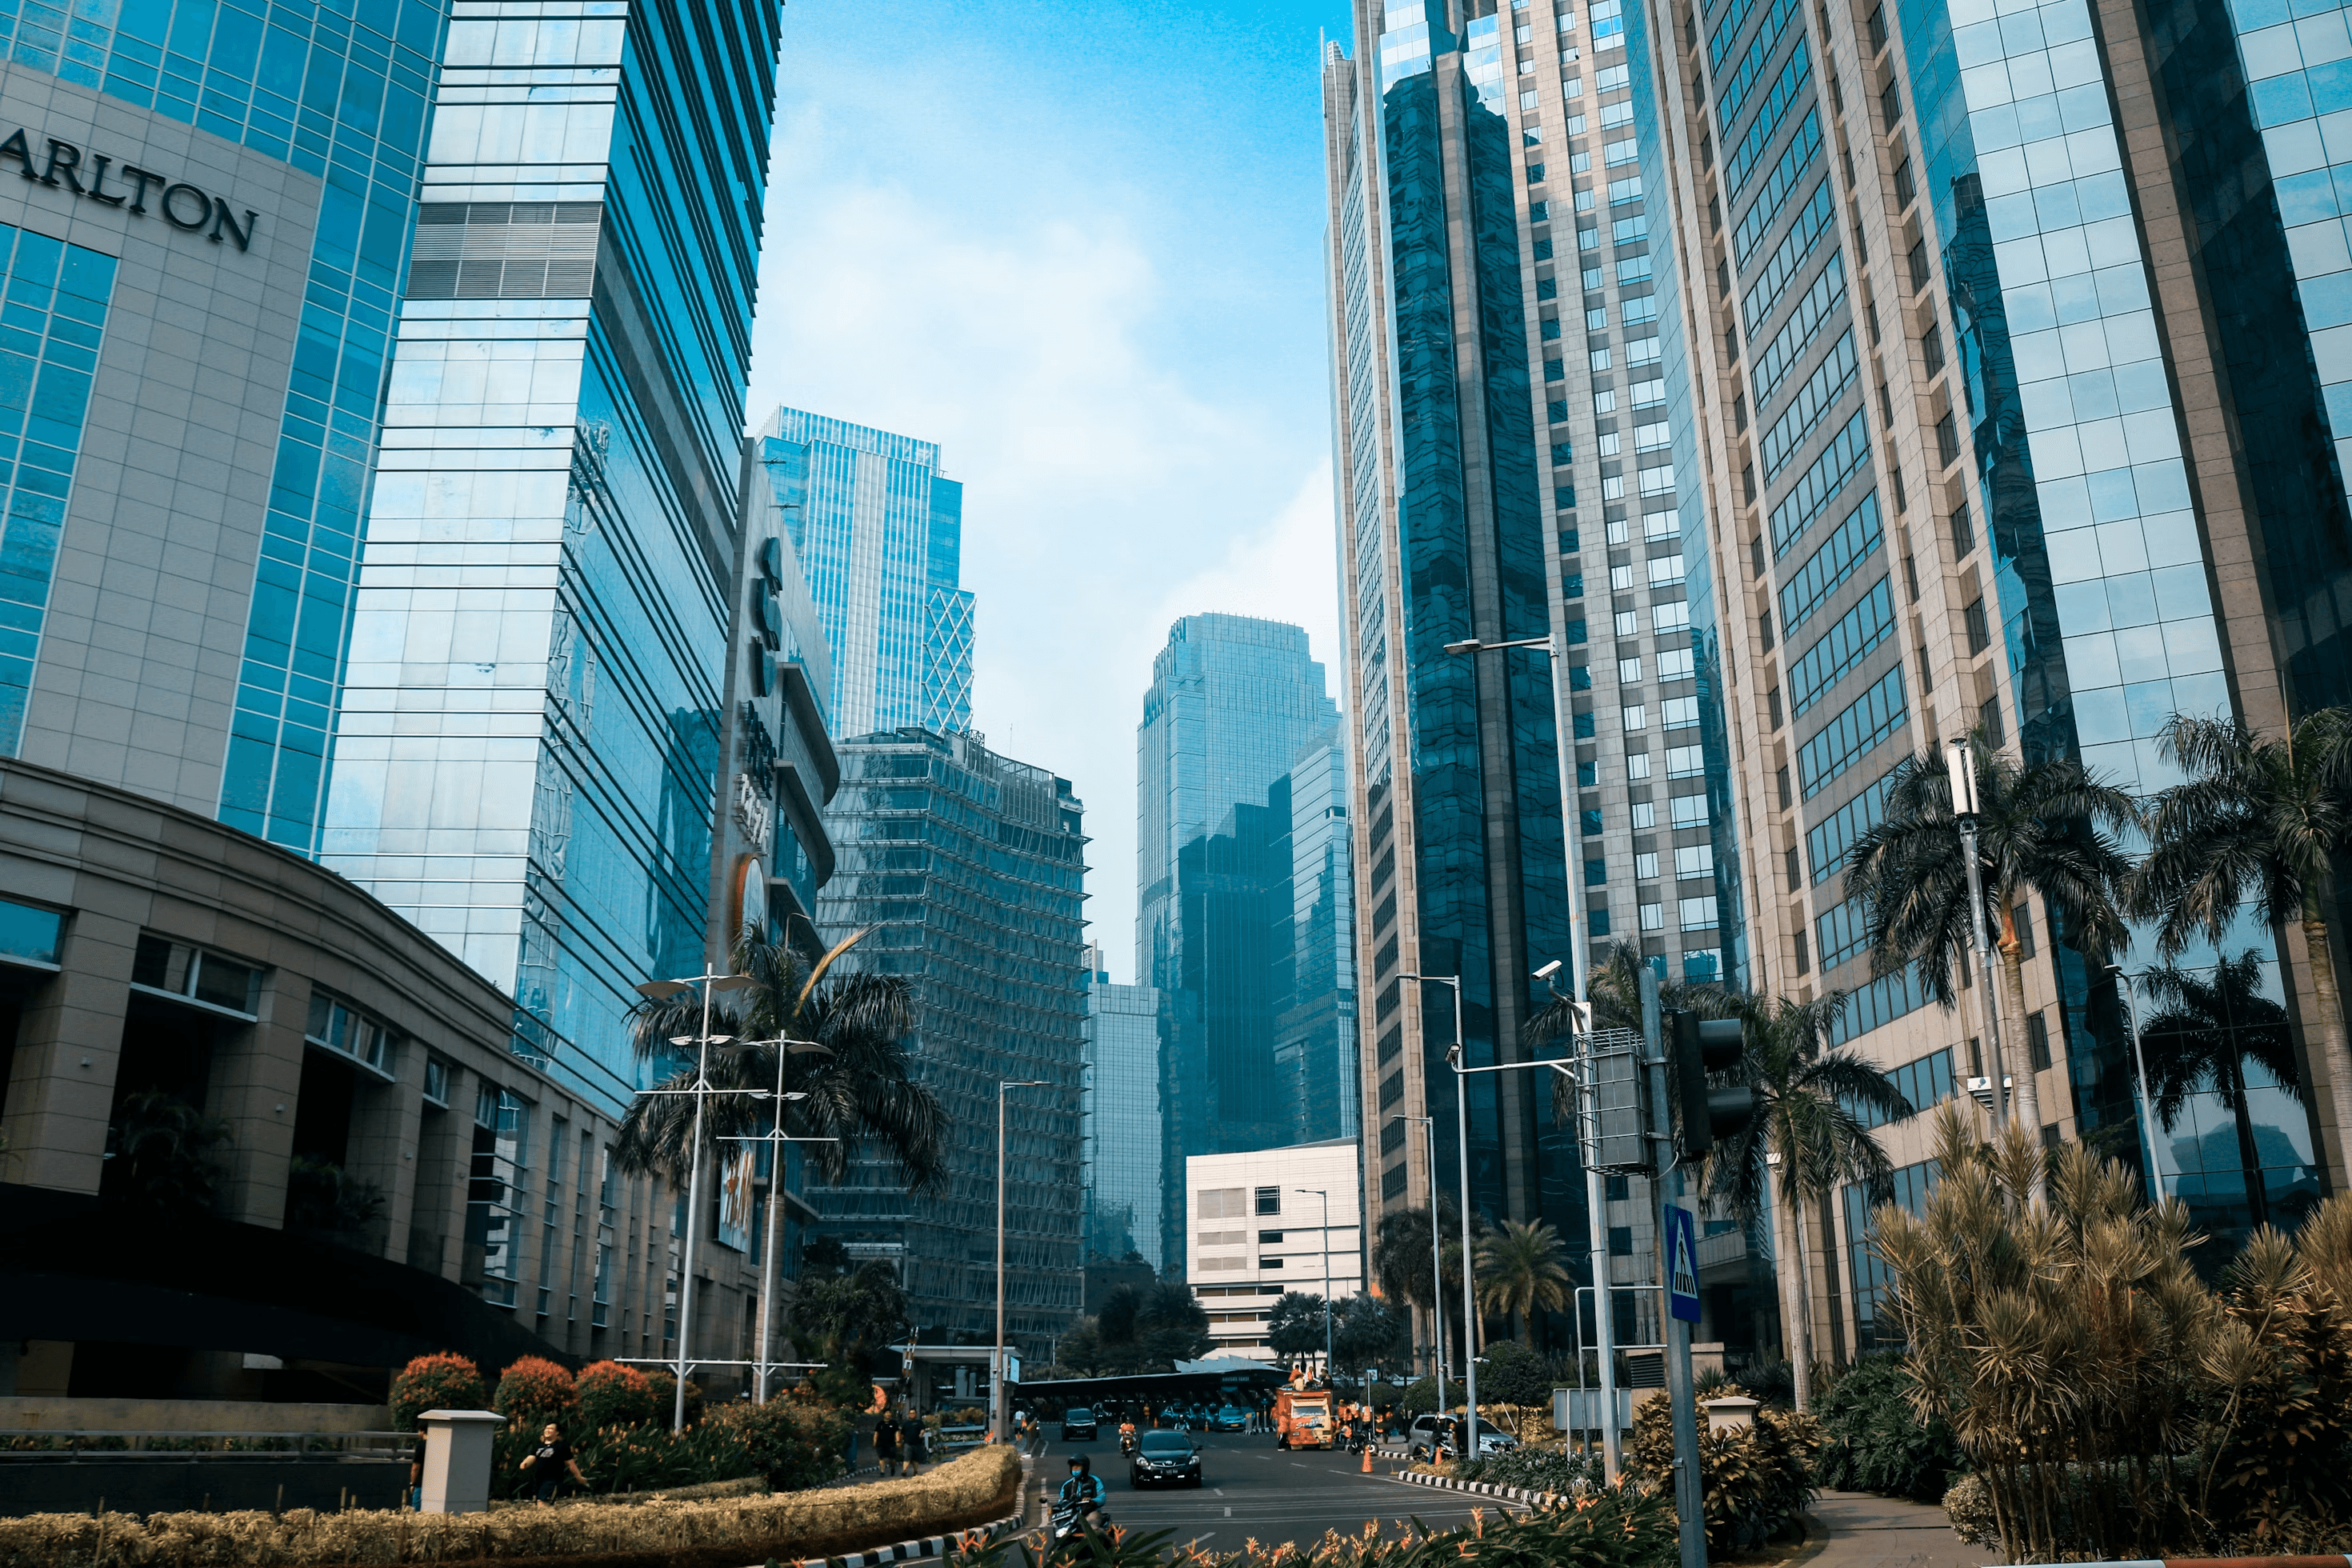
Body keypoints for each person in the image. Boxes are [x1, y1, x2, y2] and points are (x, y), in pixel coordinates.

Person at [518, 1423, 585, 1503]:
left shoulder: (562, 1446)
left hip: (553, 1479)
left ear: (557, 1432)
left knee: (542, 1502)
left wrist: (578, 1476)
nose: (548, 1430)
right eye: (546, 1428)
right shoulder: (539, 1446)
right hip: (539, 1479)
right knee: (540, 1503)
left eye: (551, 1429)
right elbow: (533, 1457)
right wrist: (525, 1463)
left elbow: (570, 1463)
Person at [1058, 1454, 1107, 1525]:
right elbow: (1061, 1502)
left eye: (1078, 1466)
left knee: (1092, 1527)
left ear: (1085, 1467)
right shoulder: (1067, 1485)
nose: (1075, 1468)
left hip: (1090, 1513)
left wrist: (1092, 1501)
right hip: (1071, 1515)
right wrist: (1054, 1509)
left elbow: (1102, 1498)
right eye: (1073, 1466)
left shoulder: (1094, 1481)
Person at [898, 1407, 926, 1475]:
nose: (912, 1414)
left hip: (917, 1443)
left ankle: (915, 1471)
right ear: (908, 1414)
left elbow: (923, 1430)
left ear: (916, 1414)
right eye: (910, 1413)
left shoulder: (919, 1422)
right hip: (908, 1443)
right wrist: (900, 1442)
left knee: (916, 1459)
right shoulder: (906, 1424)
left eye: (913, 1413)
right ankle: (904, 1471)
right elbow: (902, 1434)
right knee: (906, 1457)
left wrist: (921, 1434)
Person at [874, 1408, 901, 1477]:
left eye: (889, 1413)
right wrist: (875, 1441)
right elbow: (876, 1433)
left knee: (892, 1459)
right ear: (884, 1414)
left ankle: (893, 1468)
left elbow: (897, 1432)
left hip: (891, 1444)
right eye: (886, 1413)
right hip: (881, 1443)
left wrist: (898, 1441)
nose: (888, 1414)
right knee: (881, 1457)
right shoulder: (880, 1424)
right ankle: (882, 1471)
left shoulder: (894, 1423)